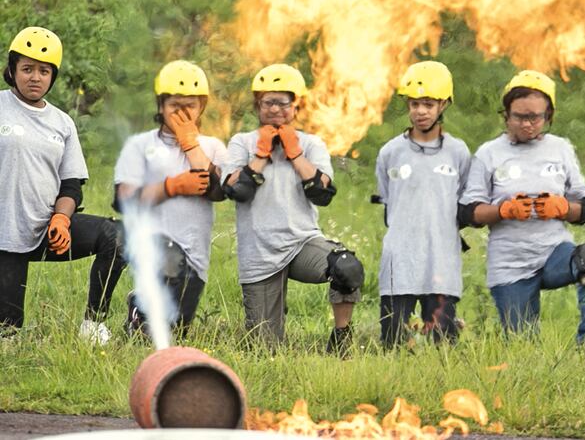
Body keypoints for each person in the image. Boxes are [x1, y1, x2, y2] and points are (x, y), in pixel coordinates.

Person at [222, 63, 363, 354]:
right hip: (259, 253)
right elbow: (236, 190)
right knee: (264, 351)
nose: (275, 109)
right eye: (268, 102)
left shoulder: (311, 144)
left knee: (347, 266)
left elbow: (322, 192)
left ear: (296, 106)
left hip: (301, 243)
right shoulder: (242, 142)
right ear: (257, 105)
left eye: (283, 102)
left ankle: (341, 338)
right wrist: (261, 153)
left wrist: (293, 151)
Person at [459, 70, 585, 345]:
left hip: (554, 252)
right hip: (510, 264)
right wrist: (502, 211)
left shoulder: (560, 149)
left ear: (548, 116)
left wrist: (562, 207)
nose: (528, 124)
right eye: (519, 117)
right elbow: (470, 212)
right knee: (523, 346)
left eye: (536, 117)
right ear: (506, 115)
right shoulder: (488, 153)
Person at [0, 27, 125, 343]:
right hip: (4, 236)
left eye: (44, 71)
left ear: (53, 76)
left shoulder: (62, 123)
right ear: (12, 69)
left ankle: (93, 323)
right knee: (8, 333)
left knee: (118, 236)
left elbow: (71, 185)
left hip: (45, 228)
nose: (35, 77)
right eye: (27, 68)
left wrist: (61, 219)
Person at [115, 60, 226, 338]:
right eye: (175, 105)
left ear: (202, 106)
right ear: (161, 105)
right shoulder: (141, 145)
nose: (183, 112)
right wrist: (172, 186)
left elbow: (218, 191)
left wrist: (190, 143)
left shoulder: (213, 147)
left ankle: (139, 307)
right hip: (153, 242)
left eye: (190, 105)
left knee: (174, 328)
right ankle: (143, 307)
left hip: (195, 255)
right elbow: (122, 199)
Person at [374, 61, 471, 348]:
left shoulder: (458, 152)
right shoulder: (390, 152)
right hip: (399, 259)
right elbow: (387, 202)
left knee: (443, 345)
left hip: (441, 259)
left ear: (443, 105)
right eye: (415, 104)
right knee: (392, 343)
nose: (420, 111)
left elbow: (464, 199)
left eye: (428, 104)